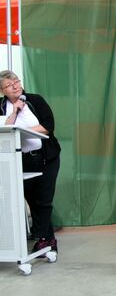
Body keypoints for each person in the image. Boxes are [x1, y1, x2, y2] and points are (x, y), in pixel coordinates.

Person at [1, 70, 61, 255]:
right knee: (32, 201)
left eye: (16, 82)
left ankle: (42, 238)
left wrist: (23, 128)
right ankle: (48, 240)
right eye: (9, 85)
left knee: (44, 199)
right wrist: (15, 110)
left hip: (46, 158)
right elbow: (5, 129)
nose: (15, 87)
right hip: (21, 160)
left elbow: (48, 127)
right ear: (2, 91)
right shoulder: (2, 106)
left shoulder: (35, 100)